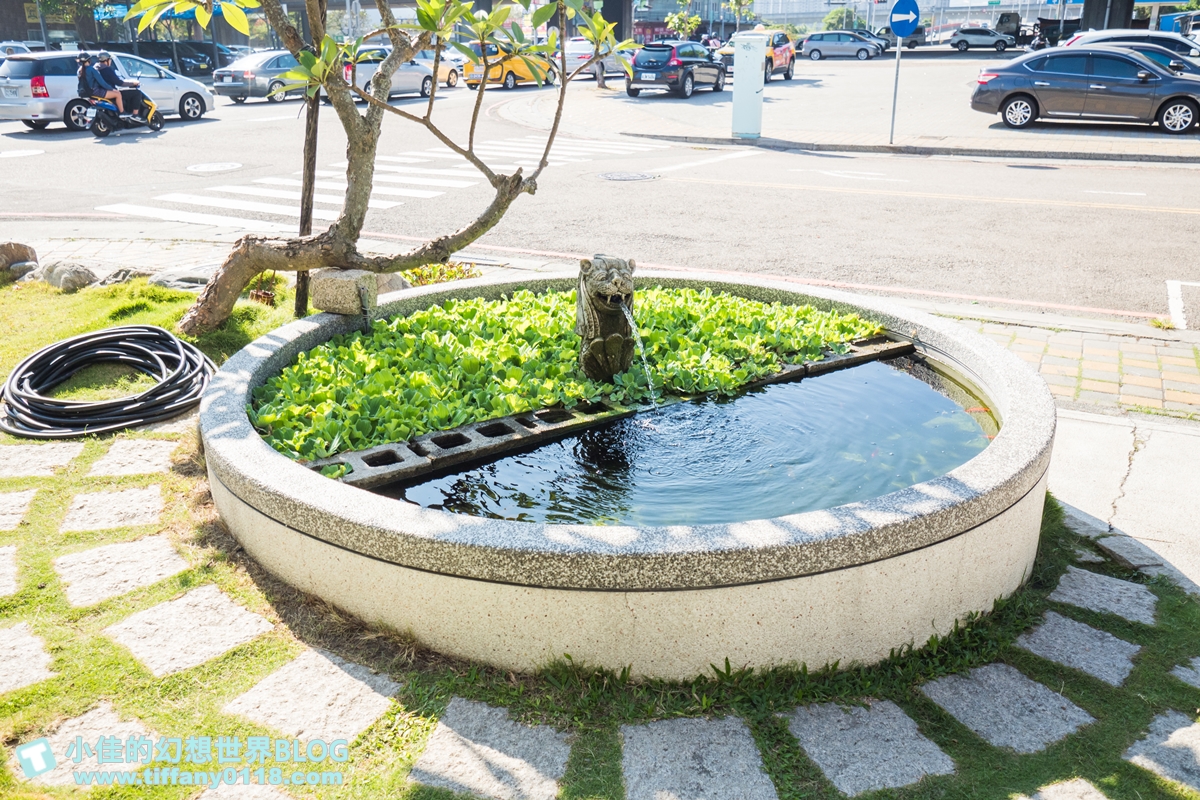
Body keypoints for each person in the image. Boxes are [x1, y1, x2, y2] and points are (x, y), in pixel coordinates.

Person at [96, 51, 143, 119]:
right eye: (110, 60)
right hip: (109, 92)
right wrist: (133, 83)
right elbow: (119, 83)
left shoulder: (96, 68)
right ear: (107, 60)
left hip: (101, 91)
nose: (111, 61)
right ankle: (135, 115)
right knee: (137, 93)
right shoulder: (107, 69)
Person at [80, 51, 128, 118]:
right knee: (118, 94)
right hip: (96, 92)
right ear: (89, 60)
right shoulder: (92, 69)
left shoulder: (79, 71)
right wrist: (112, 89)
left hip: (87, 93)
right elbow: (102, 82)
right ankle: (122, 112)